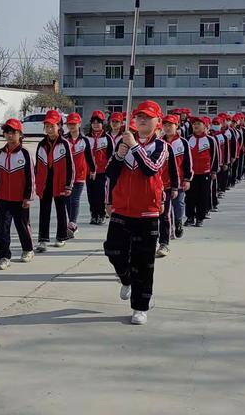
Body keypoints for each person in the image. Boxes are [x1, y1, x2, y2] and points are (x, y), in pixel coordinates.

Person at [104, 100, 168, 325]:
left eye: (148, 117)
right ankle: (126, 278)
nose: (142, 120)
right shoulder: (123, 142)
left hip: (147, 212)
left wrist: (133, 147)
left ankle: (140, 307)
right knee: (112, 249)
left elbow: (150, 169)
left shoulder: (160, 146)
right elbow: (110, 174)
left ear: (157, 121)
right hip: (122, 208)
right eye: (139, 116)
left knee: (144, 262)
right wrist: (120, 154)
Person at [0, 119, 35, 270]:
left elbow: (31, 177)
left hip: (20, 199)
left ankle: (28, 249)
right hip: (3, 198)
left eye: (13, 132)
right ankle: (4, 256)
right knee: (3, 228)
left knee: (22, 225)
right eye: (7, 132)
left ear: (20, 134)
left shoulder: (25, 153)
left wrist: (28, 197)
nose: (10, 135)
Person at [35, 110, 74, 252]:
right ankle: (42, 240)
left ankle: (61, 236)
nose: (50, 129)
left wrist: (69, 184)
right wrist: (36, 184)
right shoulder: (41, 145)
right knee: (44, 211)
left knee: (60, 210)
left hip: (60, 182)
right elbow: (37, 166)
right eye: (47, 126)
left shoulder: (65, 144)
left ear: (59, 126)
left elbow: (70, 166)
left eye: (52, 126)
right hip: (45, 182)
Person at [160, 114, 193, 246]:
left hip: (179, 181)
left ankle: (179, 221)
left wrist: (187, 179)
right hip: (163, 181)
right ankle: (170, 231)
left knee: (178, 205)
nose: (167, 128)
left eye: (170, 125)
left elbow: (188, 162)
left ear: (176, 126)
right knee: (166, 209)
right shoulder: (160, 142)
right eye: (165, 125)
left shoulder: (183, 142)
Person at [64, 113, 96, 238]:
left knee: (74, 199)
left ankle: (72, 223)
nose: (72, 126)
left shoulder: (85, 140)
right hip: (66, 175)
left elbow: (89, 156)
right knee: (67, 200)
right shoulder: (64, 139)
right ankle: (70, 223)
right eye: (69, 124)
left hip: (80, 175)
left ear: (79, 124)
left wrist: (92, 170)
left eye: (74, 123)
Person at [185, 116, 218, 228]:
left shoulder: (210, 140)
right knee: (190, 196)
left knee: (203, 196)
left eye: (198, 124)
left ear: (204, 126)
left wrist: (213, 171)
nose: (196, 126)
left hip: (205, 173)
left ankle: (200, 218)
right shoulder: (188, 139)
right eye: (194, 124)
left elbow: (215, 156)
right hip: (191, 173)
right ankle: (190, 217)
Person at [86, 110, 114, 225]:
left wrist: (109, 170)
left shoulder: (107, 138)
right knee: (91, 194)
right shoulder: (86, 138)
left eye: (98, 122)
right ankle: (93, 214)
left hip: (103, 172)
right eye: (94, 122)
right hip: (89, 172)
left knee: (100, 194)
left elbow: (111, 155)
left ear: (103, 124)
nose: (96, 124)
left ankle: (101, 214)